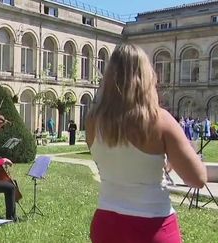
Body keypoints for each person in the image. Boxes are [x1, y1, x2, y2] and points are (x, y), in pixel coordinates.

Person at [86, 44, 207, 243]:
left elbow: (121, 165)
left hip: (106, 222)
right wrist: (187, 152)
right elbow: (197, 179)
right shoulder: (160, 119)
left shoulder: (93, 121)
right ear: (146, 76)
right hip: (153, 225)